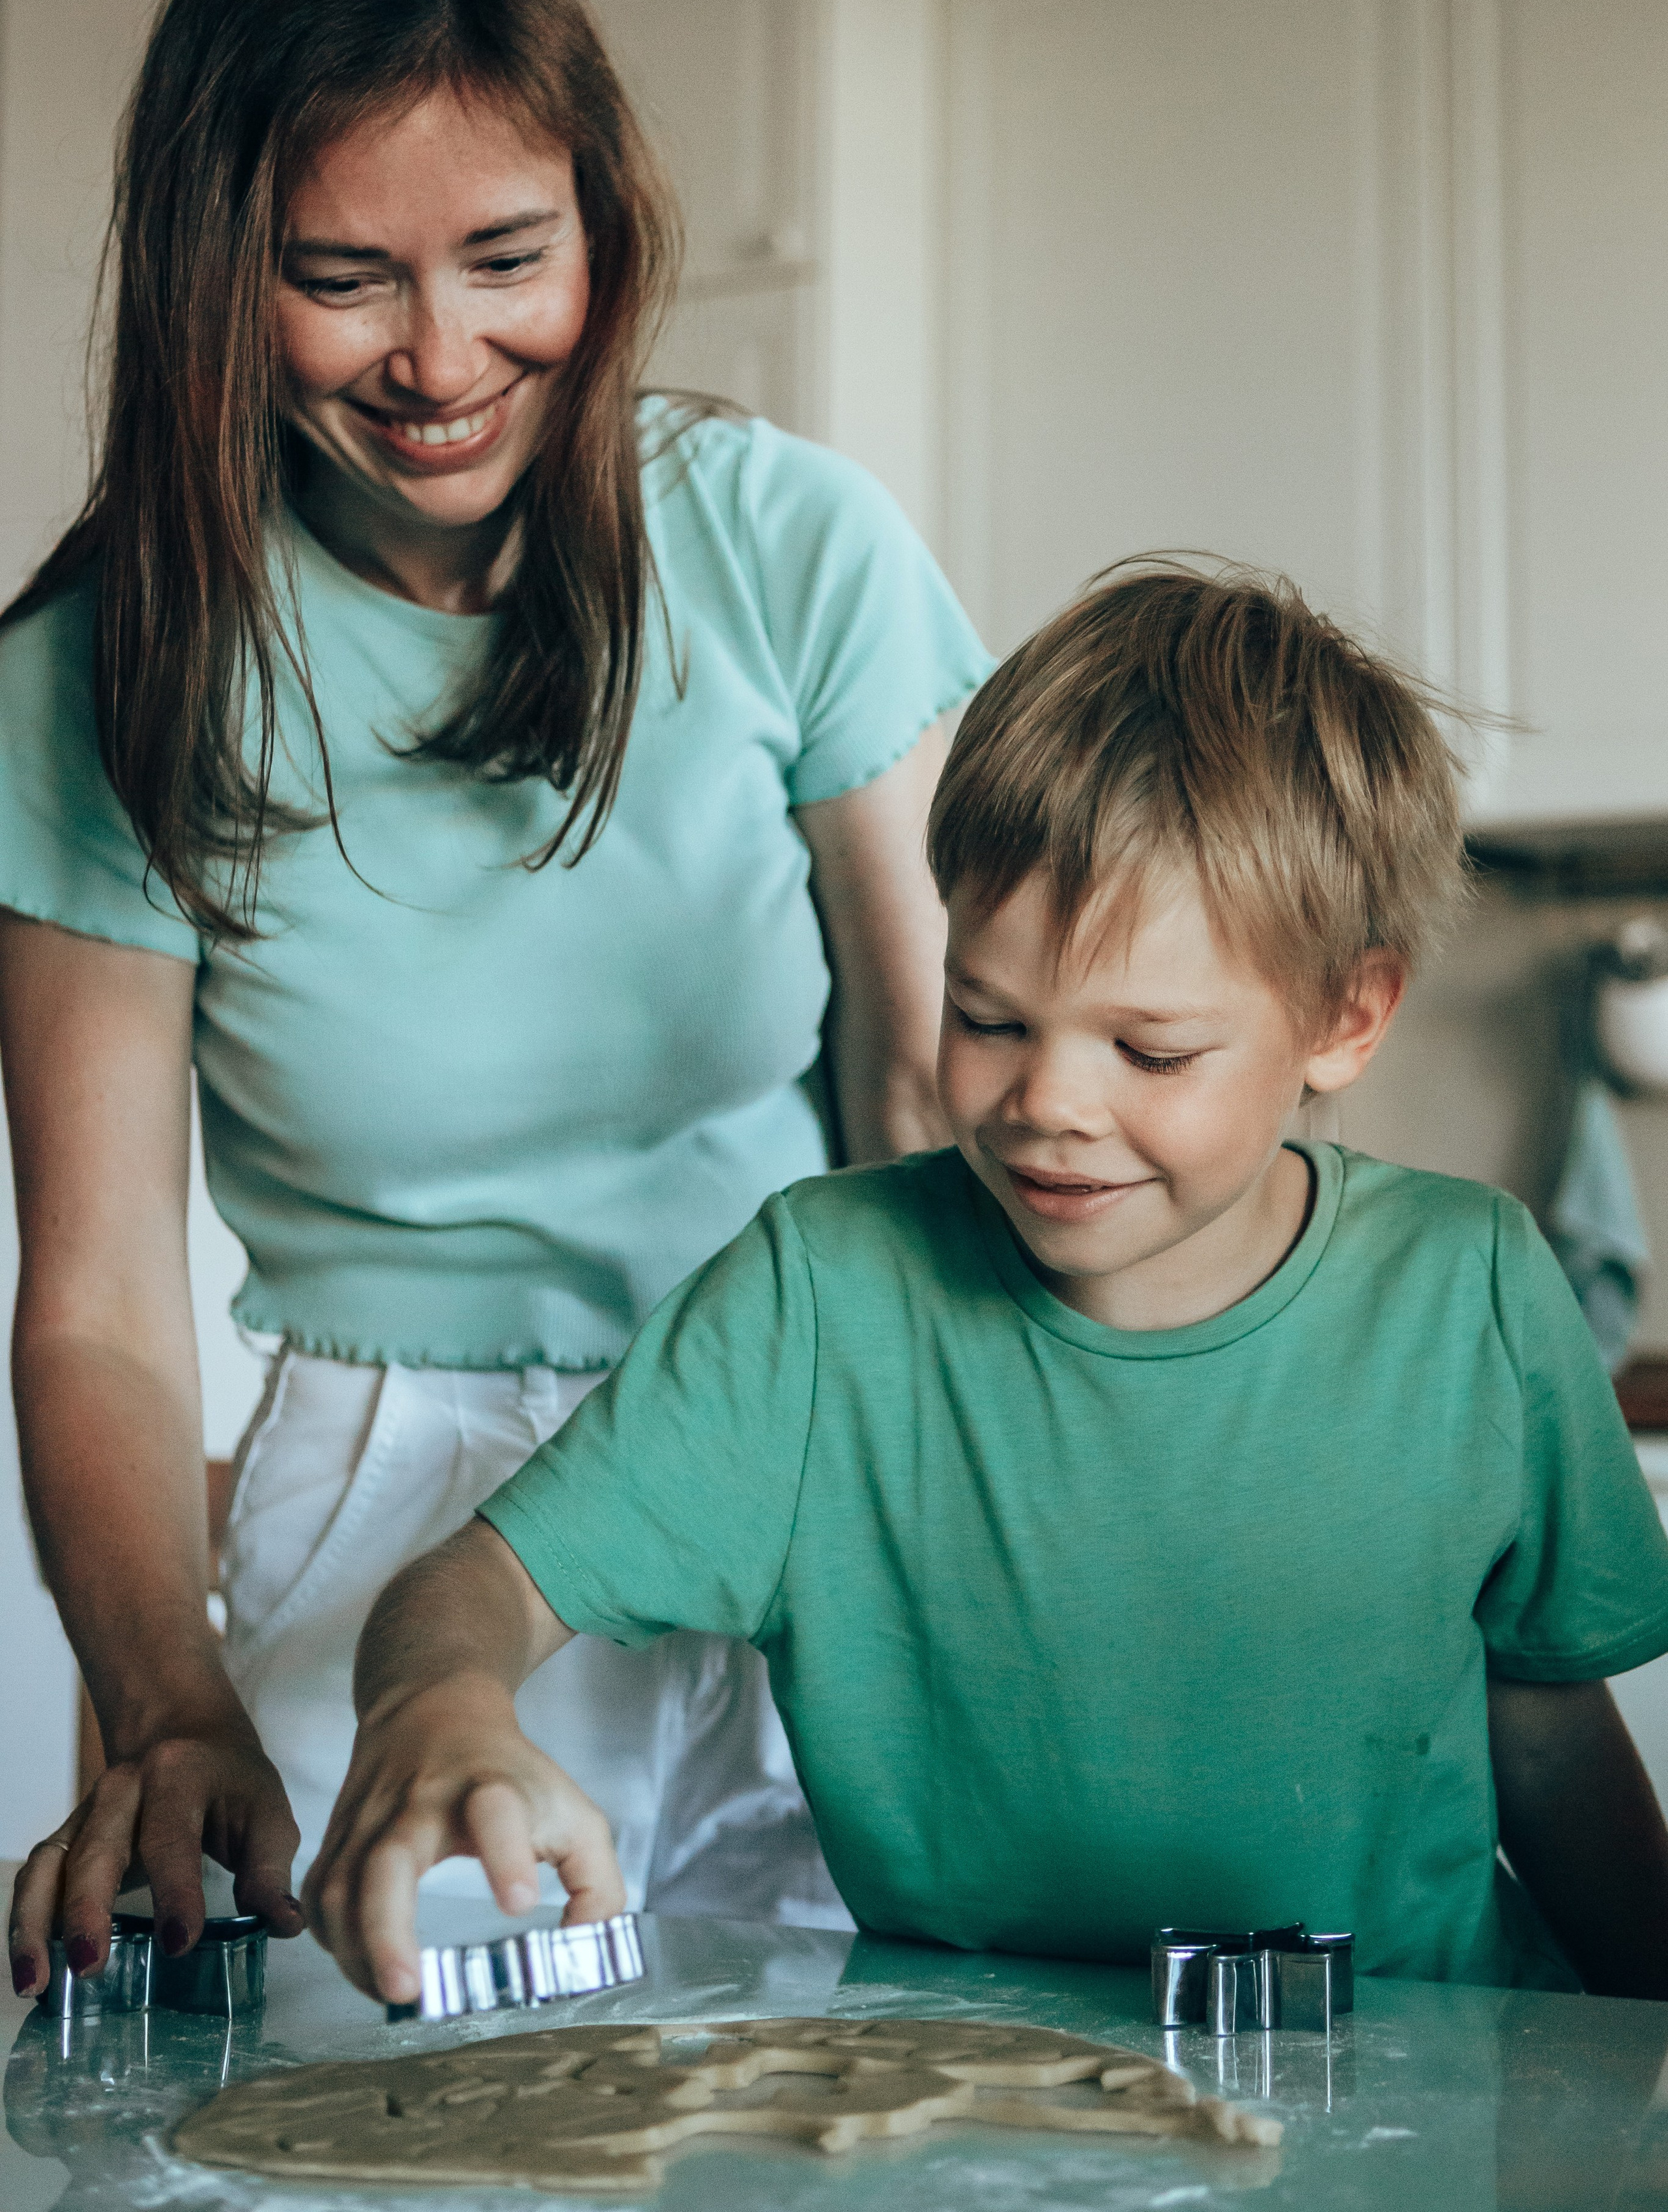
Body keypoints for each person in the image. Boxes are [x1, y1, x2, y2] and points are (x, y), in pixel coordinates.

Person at [3, 0, 992, 2004]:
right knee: (354, 2119)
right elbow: (93, 1298)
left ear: (608, 235)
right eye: (342, 277)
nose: (439, 358)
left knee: (854, 2103)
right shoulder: (111, 669)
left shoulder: (788, 546)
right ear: (212, 276)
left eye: (507, 260)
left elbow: (930, 1094)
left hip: (794, 1448)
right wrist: (167, 1710)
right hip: (370, 1494)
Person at [301, 564, 1668, 2008]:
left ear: (1345, 1016)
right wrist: (436, 1702)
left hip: (1411, 2081)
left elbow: (1548, 1736)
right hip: (964, 2097)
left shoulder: (1469, 1288)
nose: (1046, 1103)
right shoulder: (820, 1299)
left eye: (1146, 1051)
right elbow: (477, 1588)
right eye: (988, 1016)